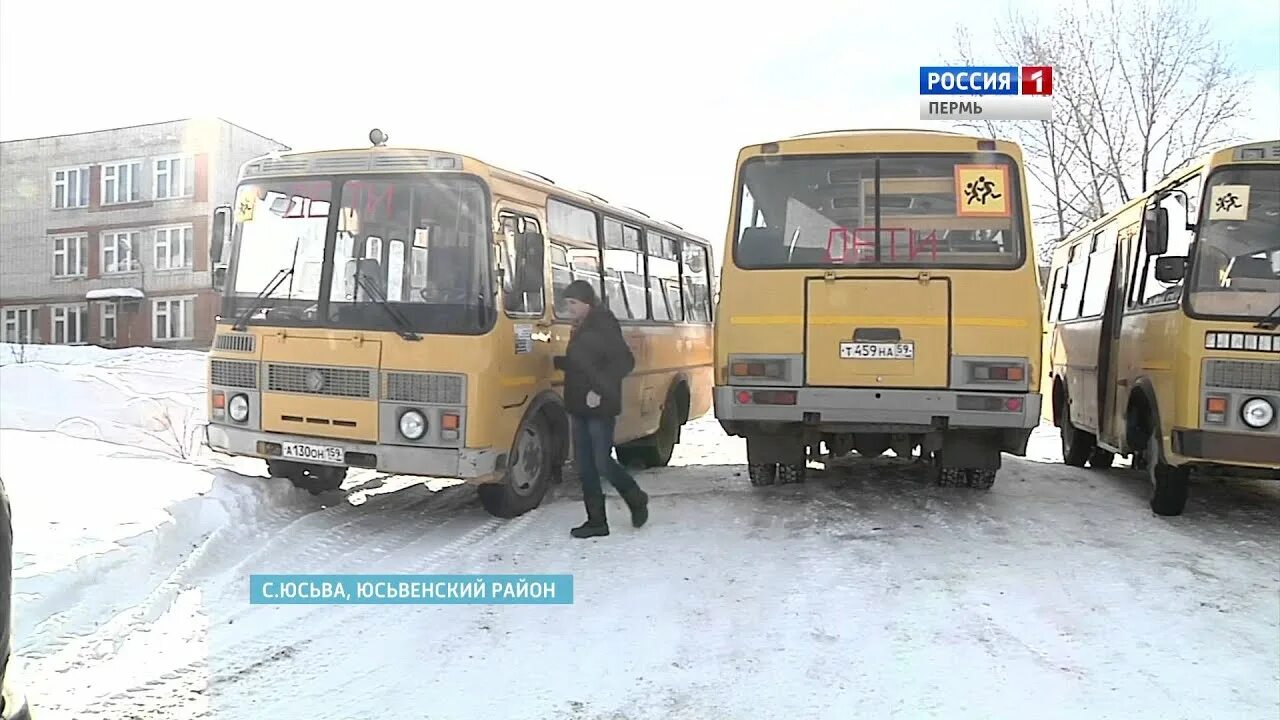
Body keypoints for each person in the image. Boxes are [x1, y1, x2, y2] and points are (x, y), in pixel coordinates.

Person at [552, 280, 649, 538]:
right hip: (578, 405)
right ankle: (597, 521)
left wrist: (599, 391)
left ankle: (636, 498)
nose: (569, 308)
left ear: (587, 303)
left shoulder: (604, 324)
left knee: (602, 462)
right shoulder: (581, 327)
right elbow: (585, 362)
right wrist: (559, 362)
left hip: (599, 405)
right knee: (584, 467)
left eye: (573, 303)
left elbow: (624, 362)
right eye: (567, 303)